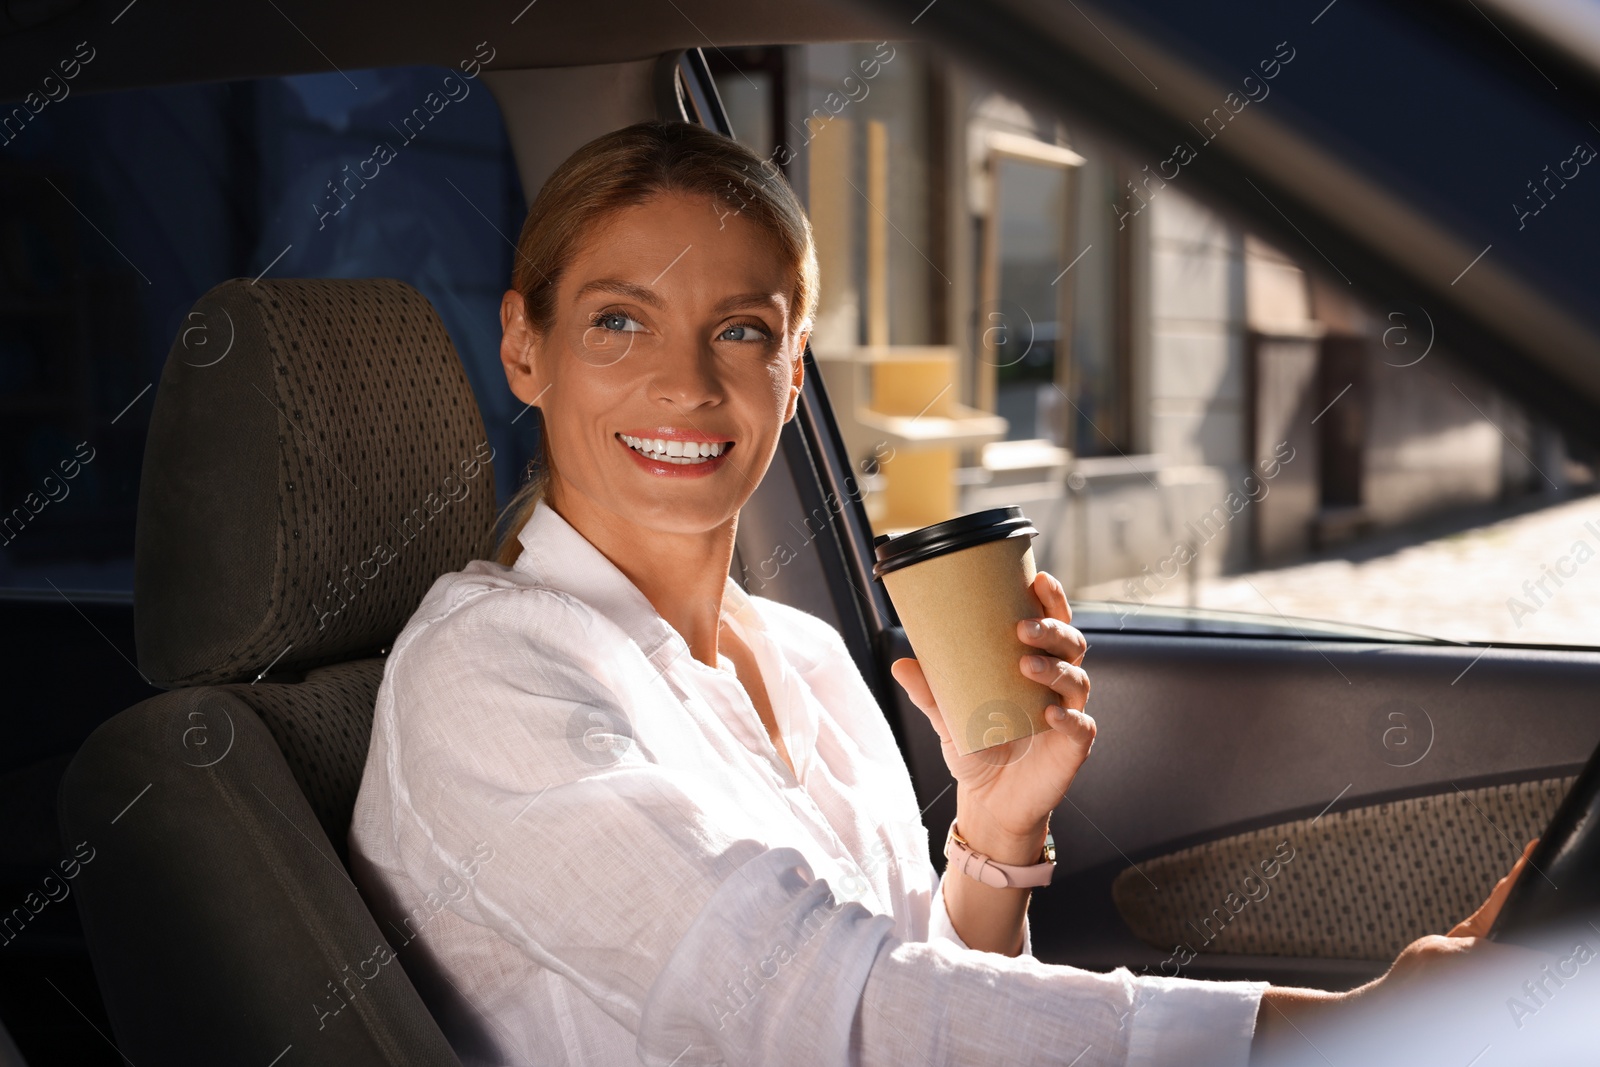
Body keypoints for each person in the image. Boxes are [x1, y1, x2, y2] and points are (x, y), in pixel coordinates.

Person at [347, 120, 1532, 1066]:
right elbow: (831, 1018)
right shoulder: (484, 678)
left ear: (791, 369)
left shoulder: (803, 657)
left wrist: (994, 831)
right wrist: (1356, 1024)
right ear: (523, 347)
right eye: (619, 321)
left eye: (741, 331)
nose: (686, 382)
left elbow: (933, 997)